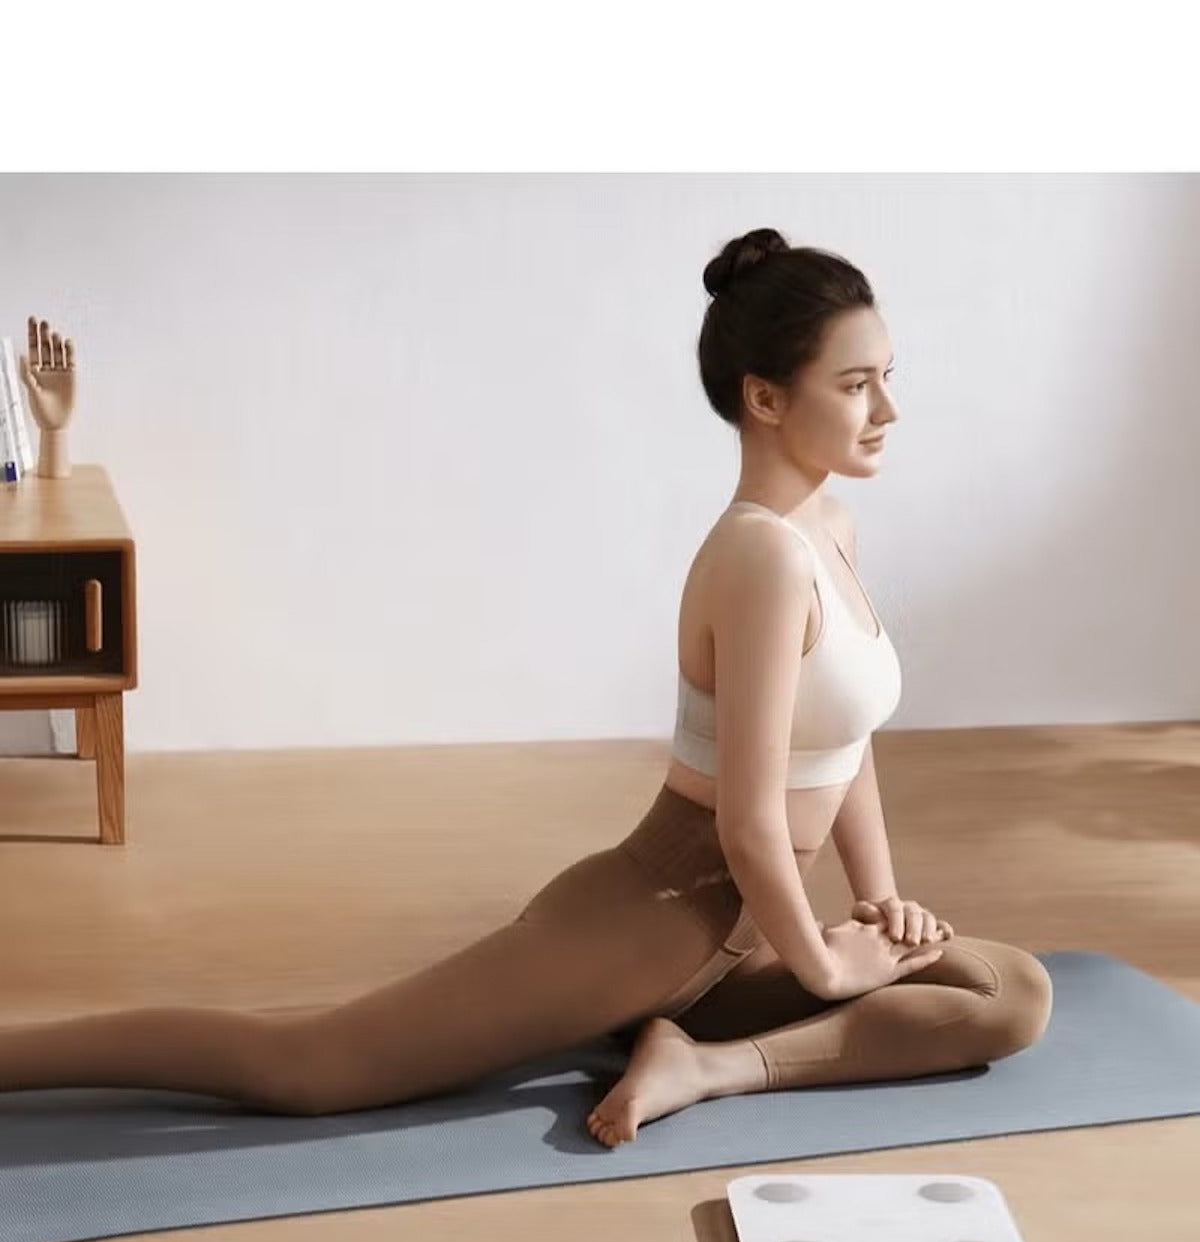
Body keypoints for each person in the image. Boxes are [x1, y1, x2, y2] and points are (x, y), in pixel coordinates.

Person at [0, 228, 1052, 1144]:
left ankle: (699, 1064)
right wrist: (822, 966)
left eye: (887, 375)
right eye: (857, 383)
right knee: (307, 1067)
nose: (889, 409)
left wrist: (876, 902)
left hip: (730, 945)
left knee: (1008, 991)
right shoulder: (760, 557)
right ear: (766, 398)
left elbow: (843, 738)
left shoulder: (830, 529)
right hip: (651, 917)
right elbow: (744, 825)